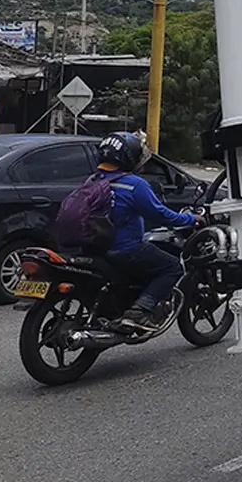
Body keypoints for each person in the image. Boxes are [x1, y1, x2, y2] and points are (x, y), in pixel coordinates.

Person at [96, 131, 201, 332]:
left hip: (96, 249)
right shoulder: (134, 184)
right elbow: (162, 215)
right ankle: (140, 310)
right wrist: (190, 219)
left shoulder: (93, 181)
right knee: (173, 267)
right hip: (126, 250)